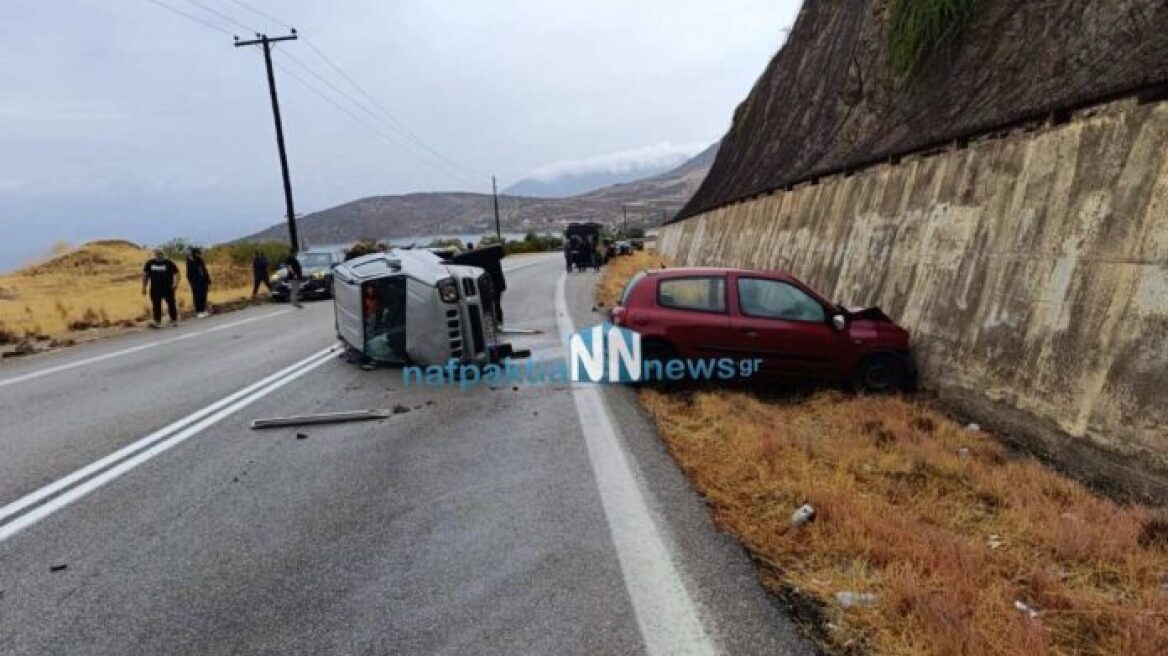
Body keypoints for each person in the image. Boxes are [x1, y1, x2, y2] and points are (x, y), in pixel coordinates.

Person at [142, 249, 180, 327]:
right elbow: (145, 276)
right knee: (156, 305)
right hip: (155, 288)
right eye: (157, 254)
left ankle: (174, 320)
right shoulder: (149, 263)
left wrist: (175, 283)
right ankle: (157, 321)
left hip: (168, 288)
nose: (159, 255)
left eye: (160, 254)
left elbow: (177, 273)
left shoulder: (168, 263)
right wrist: (144, 287)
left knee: (171, 304)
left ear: (163, 255)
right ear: (154, 255)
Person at [186, 247, 212, 318]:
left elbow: (205, 270)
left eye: (199, 253)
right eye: (197, 253)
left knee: (204, 295)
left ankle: (203, 310)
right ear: (194, 253)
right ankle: (199, 311)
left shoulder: (200, 260)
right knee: (197, 296)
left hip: (203, 280)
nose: (199, 254)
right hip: (195, 282)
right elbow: (189, 273)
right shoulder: (190, 261)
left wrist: (208, 281)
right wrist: (192, 283)